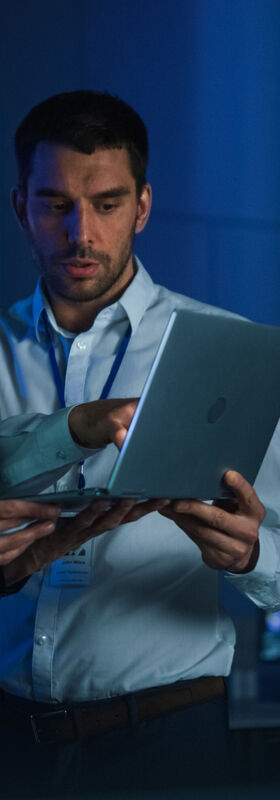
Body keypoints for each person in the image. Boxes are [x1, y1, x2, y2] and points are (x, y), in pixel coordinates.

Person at [0, 90, 279, 798]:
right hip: (10, 747)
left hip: (171, 745)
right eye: (56, 203)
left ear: (144, 207)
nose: (81, 233)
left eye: (108, 203)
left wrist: (251, 555)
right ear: (19, 206)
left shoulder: (235, 354)